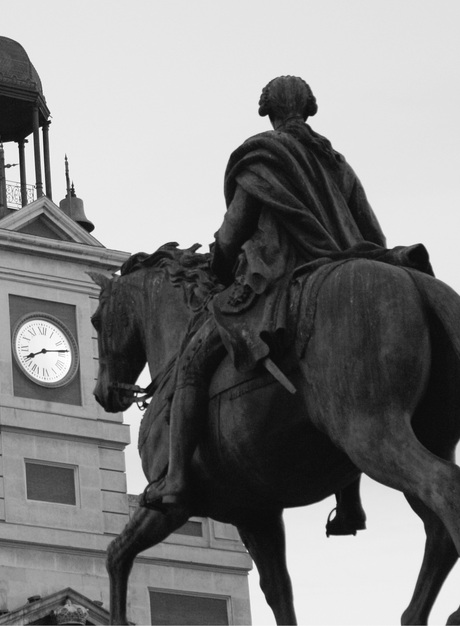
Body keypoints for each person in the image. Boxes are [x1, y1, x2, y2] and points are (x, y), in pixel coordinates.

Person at [143, 76, 430, 533]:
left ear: (267, 110)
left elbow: (232, 232)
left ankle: (175, 478)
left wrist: (219, 262)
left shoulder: (262, 158)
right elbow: (372, 233)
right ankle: (348, 499)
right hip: (341, 265)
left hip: (277, 280)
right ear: (309, 107)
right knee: (354, 383)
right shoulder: (337, 163)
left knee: (193, 363)